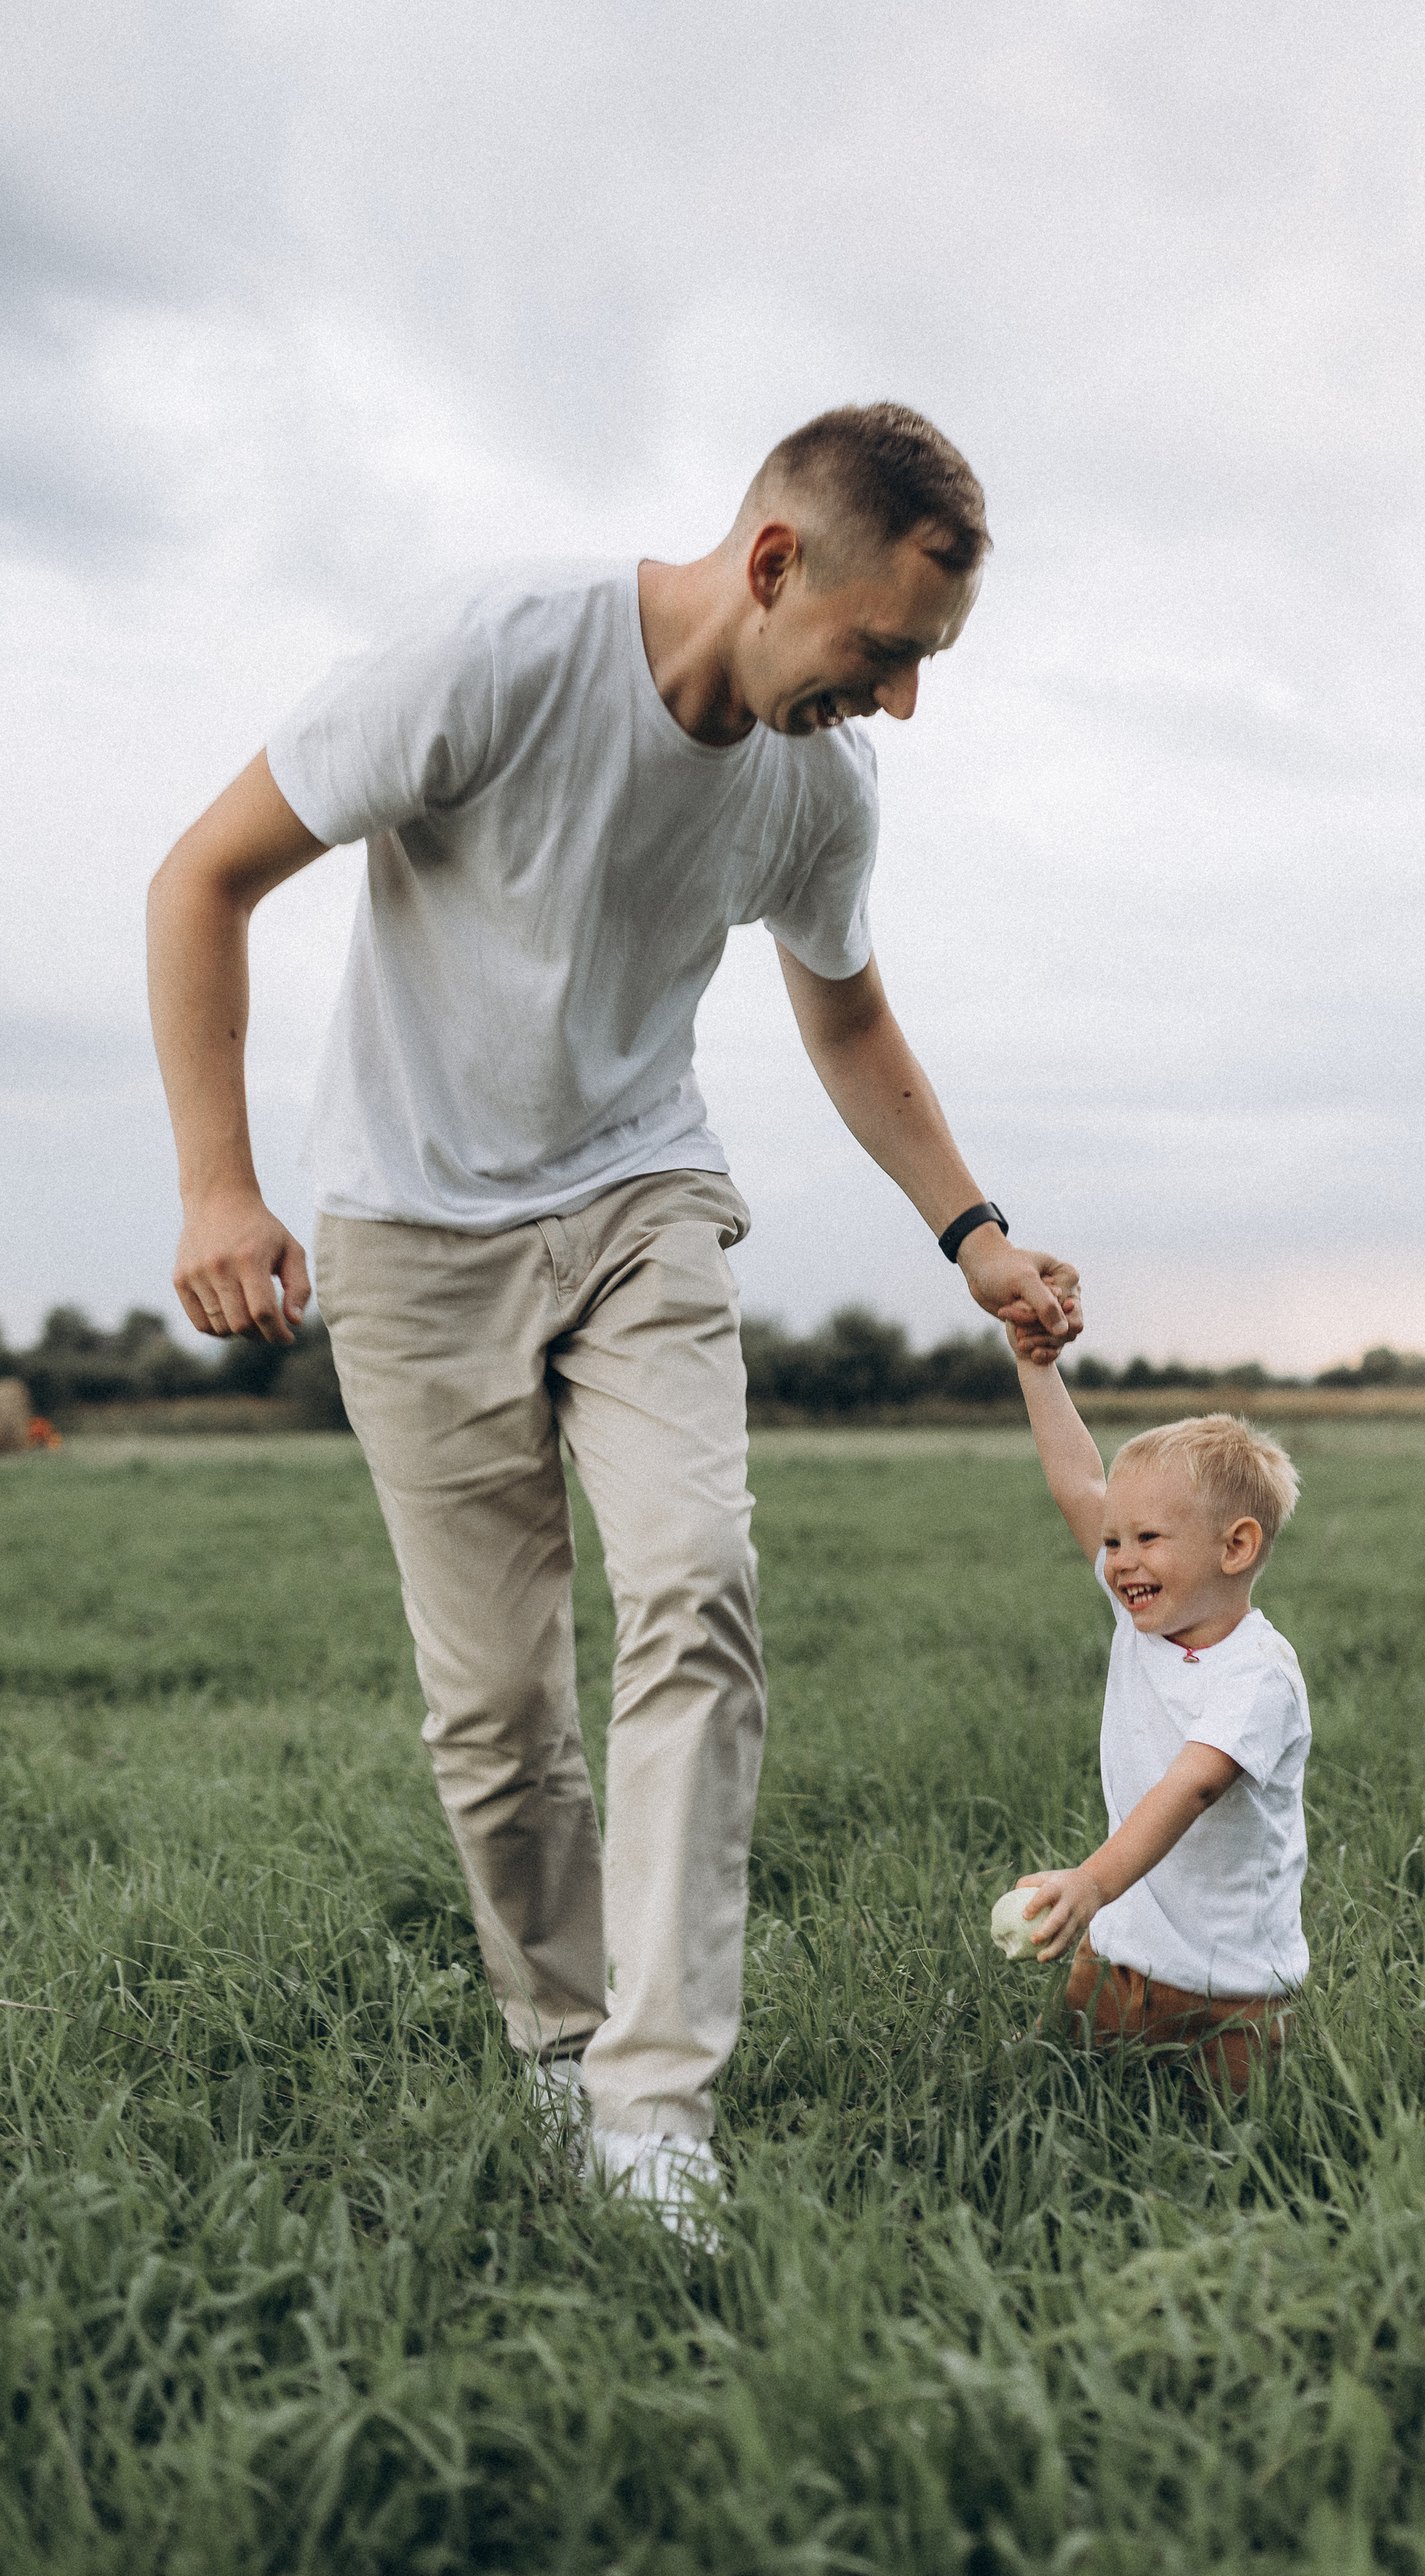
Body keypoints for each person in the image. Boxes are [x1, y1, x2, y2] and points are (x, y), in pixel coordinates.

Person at [147, 403, 1081, 2227]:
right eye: (883, 650)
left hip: (641, 1202)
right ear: (770, 564)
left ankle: (654, 2109)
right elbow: (206, 876)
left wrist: (969, 1231)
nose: (897, 702)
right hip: (411, 1228)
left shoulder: (817, 787)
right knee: (498, 1708)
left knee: (697, 1585)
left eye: (926, 664)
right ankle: (562, 2037)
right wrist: (215, 1185)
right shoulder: (496, 656)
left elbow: (845, 1017)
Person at [1008, 1356, 1308, 2090]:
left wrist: (1092, 1882)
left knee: (1235, 2135)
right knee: (1053, 2089)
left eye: (1146, 1538)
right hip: (1115, 1959)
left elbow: (1190, 1787)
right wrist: (1036, 1366)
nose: (1120, 1562)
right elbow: (1078, 1483)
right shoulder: (1142, 1617)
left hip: (1230, 1992)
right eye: (1113, 1541)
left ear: (1234, 1547)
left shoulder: (1258, 1675)